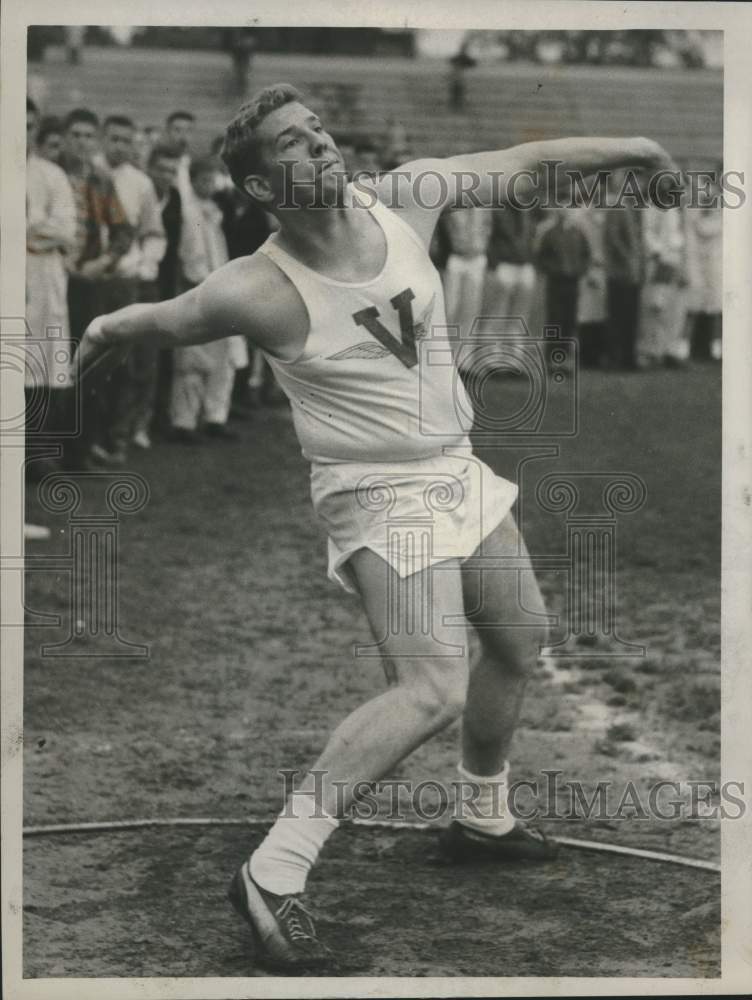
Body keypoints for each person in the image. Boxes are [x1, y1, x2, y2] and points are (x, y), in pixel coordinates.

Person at [75, 84, 677, 973]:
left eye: (316, 129)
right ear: (259, 189)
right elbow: (160, 321)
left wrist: (637, 145)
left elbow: (528, 165)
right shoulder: (257, 286)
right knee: (430, 687)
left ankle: (481, 814)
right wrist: (100, 327)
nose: (316, 145)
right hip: (374, 488)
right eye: (289, 143)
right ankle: (274, 870)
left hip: (454, 466)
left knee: (518, 635)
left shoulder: (407, 199)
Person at [59, 107, 133, 470]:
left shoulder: (101, 180)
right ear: (64, 137)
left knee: (85, 364)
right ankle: (42, 452)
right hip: (51, 277)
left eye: (89, 136)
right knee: (46, 363)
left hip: (87, 280)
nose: (82, 143)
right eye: (76, 135)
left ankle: (79, 451)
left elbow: (123, 230)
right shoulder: (49, 171)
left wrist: (101, 263)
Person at [98, 115, 167, 456]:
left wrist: (142, 267)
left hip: (127, 279)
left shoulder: (140, 183)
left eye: (126, 140)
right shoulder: (90, 173)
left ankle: (117, 437)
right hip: (90, 277)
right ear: (103, 139)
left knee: (124, 363)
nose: (120, 146)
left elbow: (153, 234)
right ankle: (86, 439)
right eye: (114, 139)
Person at [169, 156, 245, 442]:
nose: (208, 185)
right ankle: (184, 420)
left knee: (223, 356)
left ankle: (215, 416)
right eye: (203, 179)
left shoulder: (215, 211)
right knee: (192, 359)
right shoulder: (189, 212)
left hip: (219, 285)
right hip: (197, 287)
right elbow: (190, 256)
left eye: (212, 179)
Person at [25, 97, 76, 480]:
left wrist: (28, 228)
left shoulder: (50, 175)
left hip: (42, 275)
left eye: (28, 127)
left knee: (41, 361)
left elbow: (65, 230)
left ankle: (38, 451)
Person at [146, 144, 184, 438]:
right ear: (150, 169)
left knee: (163, 350)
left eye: (172, 171)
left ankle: (158, 416)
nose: (166, 176)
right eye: (161, 169)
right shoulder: (143, 194)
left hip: (167, 280)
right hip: (142, 277)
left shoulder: (176, 198)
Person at [604, 169, 645, 370]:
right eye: (633, 183)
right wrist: (628, 259)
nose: (636, 187)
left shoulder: (636, 209)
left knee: (631, 315)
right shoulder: (617, 207)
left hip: (634, 271)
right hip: (619, 271)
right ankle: (616, 357)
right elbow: (612, 238)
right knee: (618, 315)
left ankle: (629, 357)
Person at [534, 207, 591, 344]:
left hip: (572, 280)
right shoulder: (550, 233)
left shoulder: (577, 233)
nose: (564, 211)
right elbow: (541, 256)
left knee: (569, 318)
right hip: (556, 281)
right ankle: (552, 354)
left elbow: (586, 254)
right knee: (555, 317)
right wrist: (551, 269)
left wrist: (580, 269)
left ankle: (565, 354)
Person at [164, 110, 196, 203]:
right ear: (167, 132)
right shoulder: (156, 163)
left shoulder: (193, 163)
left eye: (189, 131)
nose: (183, 136)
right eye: (177, 130)